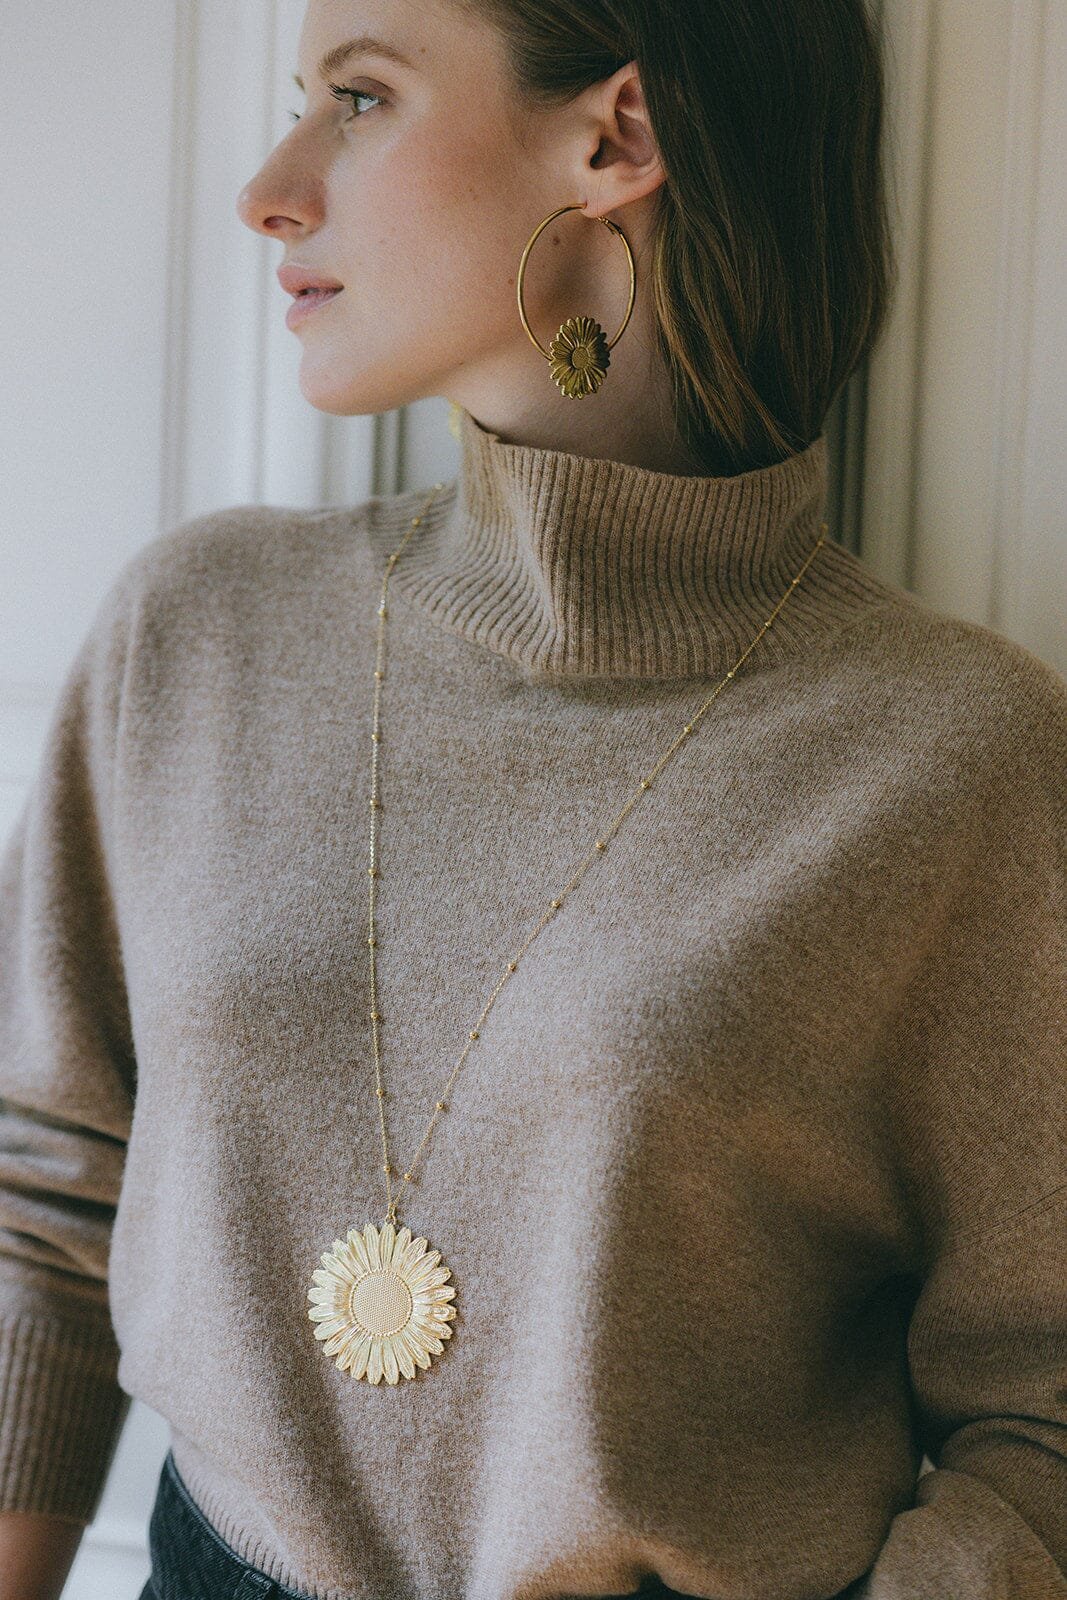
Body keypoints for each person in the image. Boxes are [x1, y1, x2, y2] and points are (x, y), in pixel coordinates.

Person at [1, 0, 1064, 1597]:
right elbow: (42, 1207)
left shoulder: (957, 755)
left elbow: (1042, 1407)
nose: (271, 190)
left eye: (360, 97)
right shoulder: (202, 631)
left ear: (614, 137)